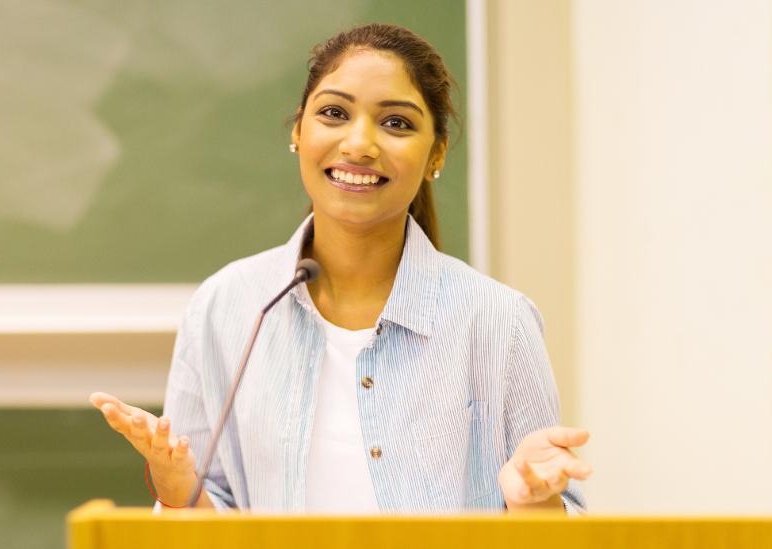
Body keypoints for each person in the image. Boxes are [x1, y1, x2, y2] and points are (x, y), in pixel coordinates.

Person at [90, 23, 591, 514]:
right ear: (298, 131)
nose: (359, 144)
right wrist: (182, 492)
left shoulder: (497, 319)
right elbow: (207, 519)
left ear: (436, 152)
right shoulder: (228, 306)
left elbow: (557, 518)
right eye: (334, 113)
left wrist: (536, 502)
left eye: (396, 122)